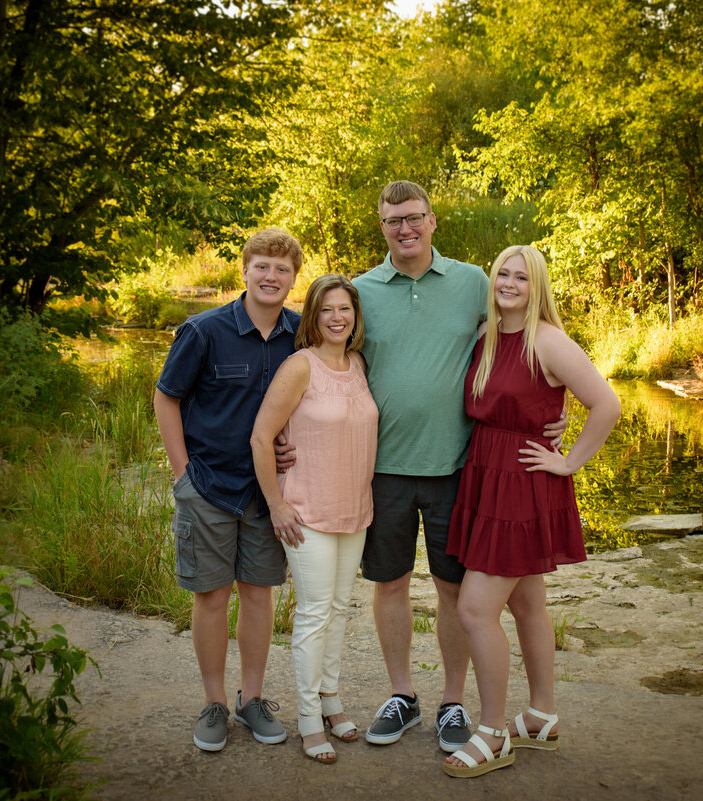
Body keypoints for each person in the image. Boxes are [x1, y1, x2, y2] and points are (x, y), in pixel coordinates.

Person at [351, 181, 567, 753]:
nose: (405, 228)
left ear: (433, 220)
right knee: (390, 583)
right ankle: (401, 695)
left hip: (459, 468)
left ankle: (453, 702)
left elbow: (528, 342)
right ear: (382, 227)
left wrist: (557, 408)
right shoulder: (361, 291)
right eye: (393, 220)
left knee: (454, 590)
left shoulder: (475, 281)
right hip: (384, 468)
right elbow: (329, 363)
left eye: (414, 217)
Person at [441, 244, 621, 778]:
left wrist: (568, 464)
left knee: (475, 610)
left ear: (537, 284)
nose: (509, 284)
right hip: (485, 475)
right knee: (526, 606)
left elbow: (606, 404)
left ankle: (493, 732)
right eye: (503, 274)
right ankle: (541, 715)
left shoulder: (548, 340)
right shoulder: (487, 336)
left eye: (521, 277)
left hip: (522, 482)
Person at [153, 227, 303, 753]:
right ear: (244, 269)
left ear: (293, 277)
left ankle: (253, 698)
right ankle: (214, 703)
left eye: (282, 269)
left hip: (268, 494)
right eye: (262, 265)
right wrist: (182, 474)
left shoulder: (300, 334)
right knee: (212, 596)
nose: (271, 276)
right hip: (209, 485)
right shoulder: (204, 330)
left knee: (258, 594)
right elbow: (166, 397)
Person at [250, 274, 379, 764]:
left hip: (355, 510)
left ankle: (330, 700)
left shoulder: (358, 364)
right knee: (313, 614)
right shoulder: (298, 367)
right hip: (306, 511)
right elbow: (263, 438)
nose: (337, 317)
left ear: (355, 316)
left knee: (341, 609)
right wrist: (277, 504)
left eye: (345, 309)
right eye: (327, 309)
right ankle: (307, 720)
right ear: (313, 317)